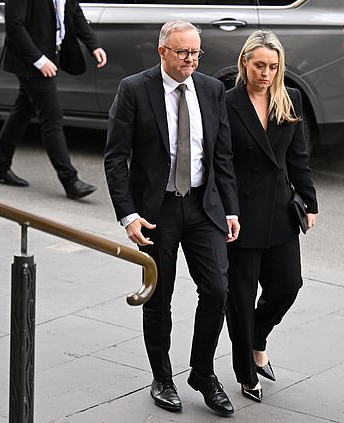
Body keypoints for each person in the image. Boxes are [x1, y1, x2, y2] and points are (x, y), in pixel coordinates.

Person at [104, 20, 240, 415]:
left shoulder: (213, 90)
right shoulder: (134, 89)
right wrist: (127, 214)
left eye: (197, 52)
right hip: (156, 210)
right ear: (162, 51)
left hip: (202, 206)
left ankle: (202, 371)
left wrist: (230, 208)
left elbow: (223, 156)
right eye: (183, 53)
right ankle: (162, 376)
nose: (192, 60)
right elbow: (115, 157)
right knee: (159, 295)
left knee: (217, 289)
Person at [224, 30, 318, 402]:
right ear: (245, 62)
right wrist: (228, 210)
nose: (266, 73)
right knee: (241, 299)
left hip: (280, 212)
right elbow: (223, 165)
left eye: (273, 67)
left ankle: (257, 337)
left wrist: (309, 202)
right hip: (241, 217)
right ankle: (247, 374)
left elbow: (298, 158)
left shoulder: (289, 99)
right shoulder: (227, 102)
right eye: (259, 65)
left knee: (287, 286)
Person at [0, 0, 107, 199]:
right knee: (52, 119)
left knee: (22, 111)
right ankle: (70, 180)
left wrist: (93, 45)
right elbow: (14, 25)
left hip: (51, 55)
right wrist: (38, 60)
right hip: (29, 62)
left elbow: (74, 13)